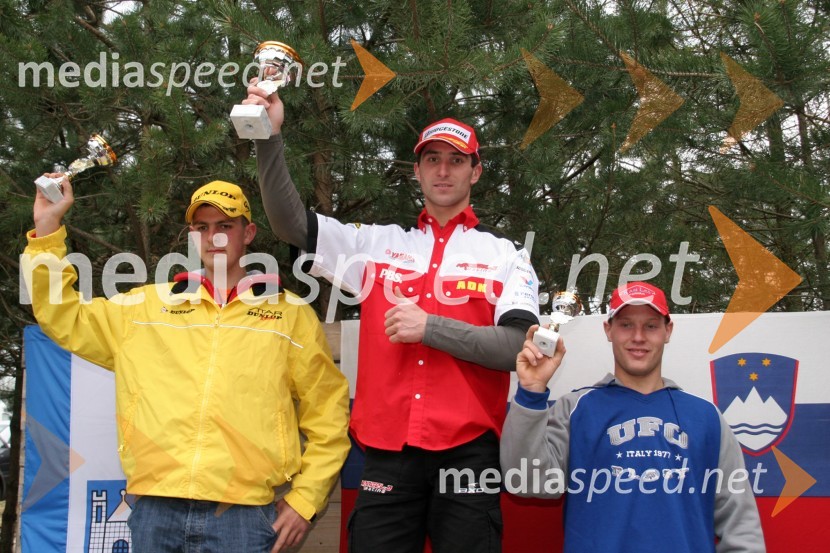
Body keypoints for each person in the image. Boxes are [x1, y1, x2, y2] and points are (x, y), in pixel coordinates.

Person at [241, 86, 540, 552]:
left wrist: (432, 329)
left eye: (456, 160)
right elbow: (290, 224)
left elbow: (516, 348)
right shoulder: (376, 244)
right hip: (387, 453)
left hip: (469, 453)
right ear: (417, 171)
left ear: (475, 171)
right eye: (432, 159)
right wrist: (267, 136)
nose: (443, 170)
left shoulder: (507, 256)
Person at [22, 177, 351, 553]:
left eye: (226, 226)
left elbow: (328, 416)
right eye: (202, 228)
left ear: (249, 233)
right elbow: (61, 315)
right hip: (155, 510)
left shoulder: (289, 315)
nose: (215, 237)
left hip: (243, 516)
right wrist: (47, 229)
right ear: (192, 236)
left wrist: (305, 502)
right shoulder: (142, 308)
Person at [500, 281, 766, 553]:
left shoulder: (705, 416)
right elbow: (526, 481)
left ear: (667, 331)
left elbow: (740, 525)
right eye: (626, 324)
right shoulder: (576, 408)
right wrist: (532, 392)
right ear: (609, 330)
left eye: (651, 325)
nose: (638, 337)